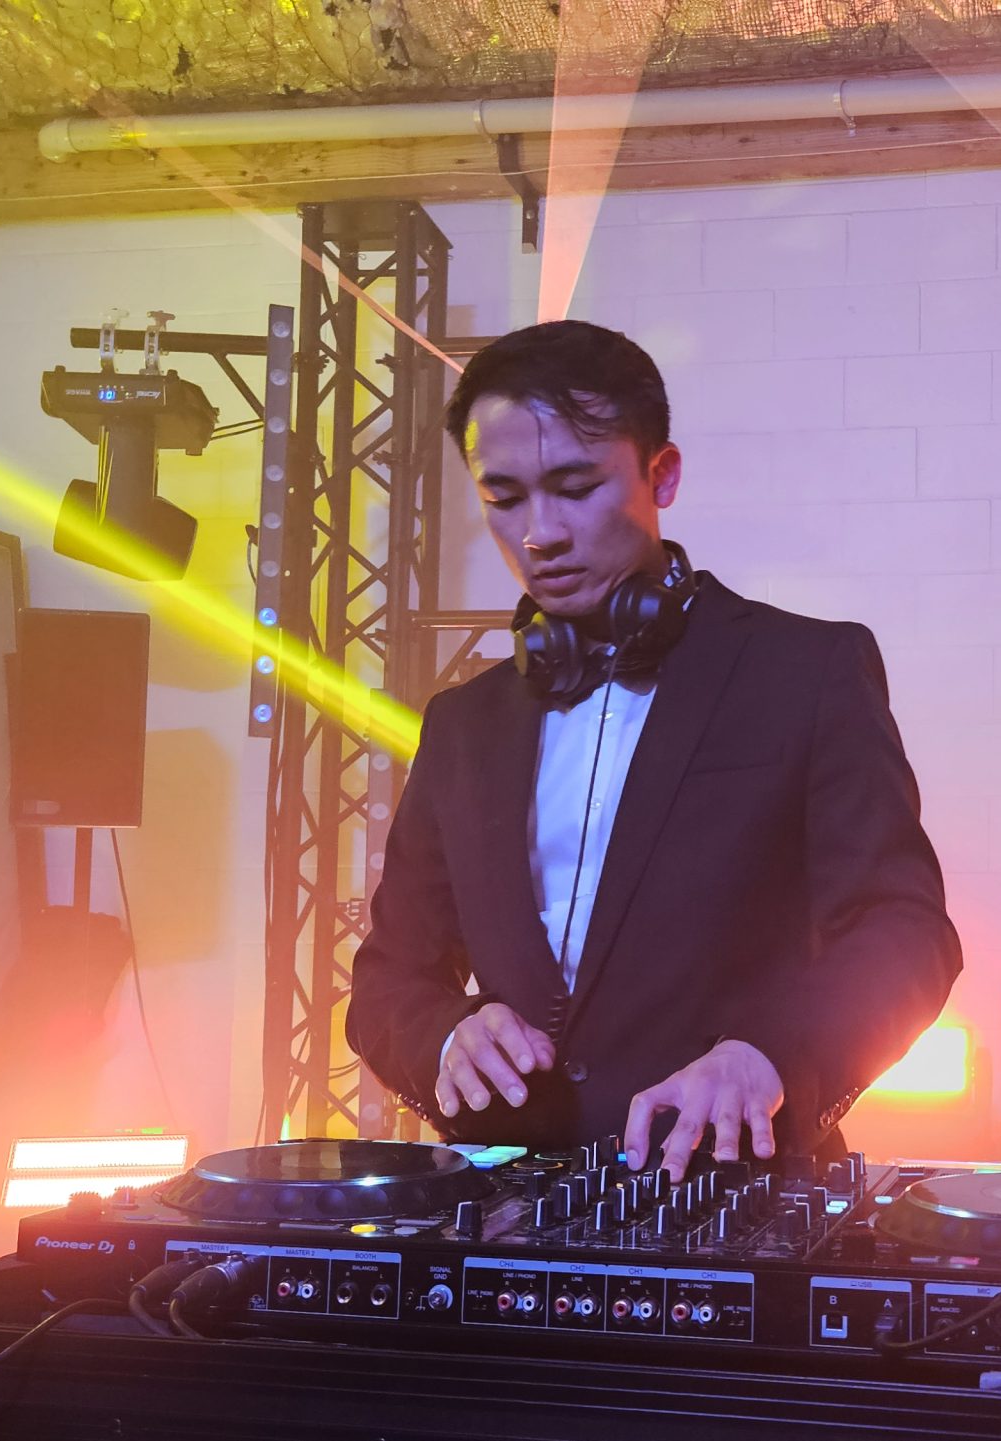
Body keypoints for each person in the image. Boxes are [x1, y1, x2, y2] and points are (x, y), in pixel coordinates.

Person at [345, 320, 962, 1182]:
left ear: (661, 474)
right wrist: (446, 1035)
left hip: (733, 1192)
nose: (539, 533)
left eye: (575, 487)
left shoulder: (806, 671)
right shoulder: (461, 723)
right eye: (504, 497)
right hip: (508, 1207)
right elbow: (389, 979)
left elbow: (905, 932)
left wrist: (772, 1055)